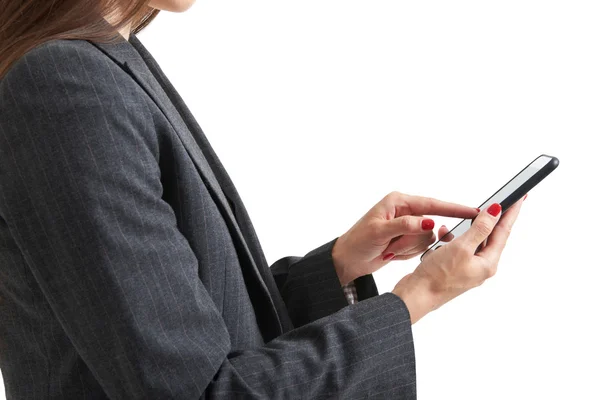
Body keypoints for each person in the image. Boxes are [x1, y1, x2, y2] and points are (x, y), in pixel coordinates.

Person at [0, 0, 524, 398]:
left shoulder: (106, 56)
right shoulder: (66, 85)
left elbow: (188, 331)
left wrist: (336, 269)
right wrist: (417, 298)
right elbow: (202, 391)